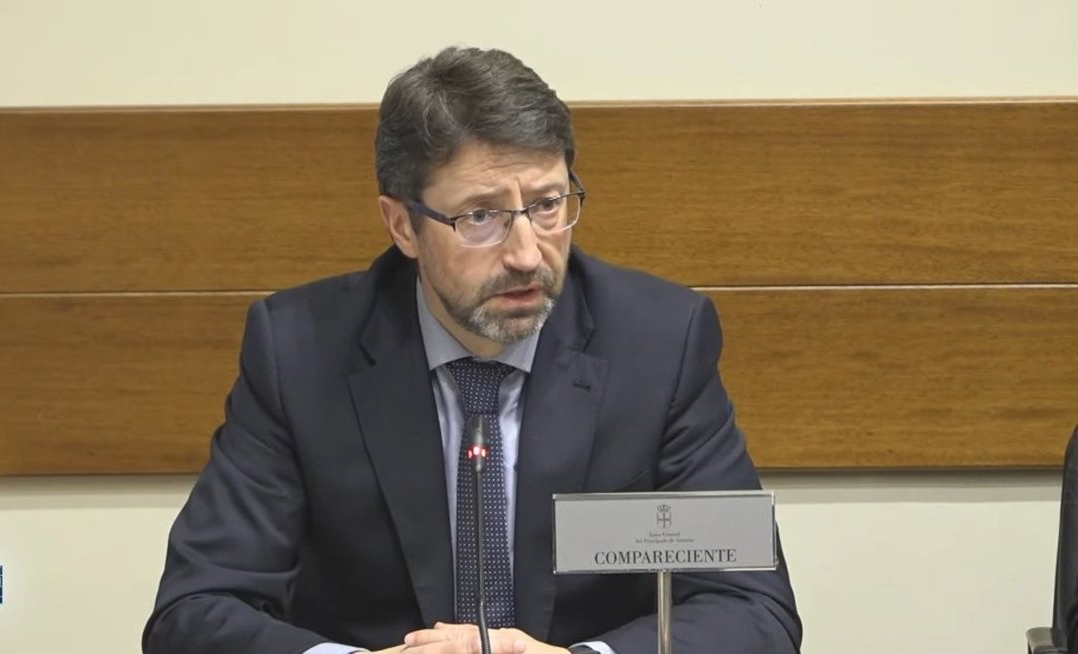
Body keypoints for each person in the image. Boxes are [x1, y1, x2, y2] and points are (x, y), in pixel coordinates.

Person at [143, 46, 801, 654]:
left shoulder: (658, 342)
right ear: (403, 225)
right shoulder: (299, 352)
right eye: (480, 216)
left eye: (548, 205)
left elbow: (755, 610)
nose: (526, 254)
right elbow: (193, 611)